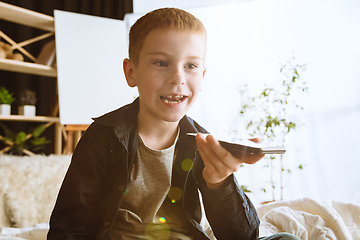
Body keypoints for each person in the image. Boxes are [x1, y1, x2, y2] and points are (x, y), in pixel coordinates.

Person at [47, 7, 300, 240]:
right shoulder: (103, 137)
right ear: (131, 72)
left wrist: (220, 181)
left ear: (202, 76)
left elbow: (242, 237)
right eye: (161, 63)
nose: (177, 78)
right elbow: (69, 227)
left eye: (190, 65)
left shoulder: (203, 143)